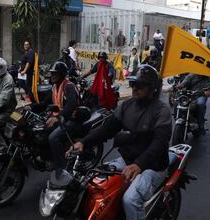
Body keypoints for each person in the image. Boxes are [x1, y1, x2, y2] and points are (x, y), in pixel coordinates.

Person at [70, 65, 171, 220]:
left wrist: (139, 164)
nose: (134, 88)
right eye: (132, 84)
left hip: (153, 166)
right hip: (127, 160)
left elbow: (160, 143)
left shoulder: (161, 111)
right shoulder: (126, 105)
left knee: (130, 199)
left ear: (153, 89)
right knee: (95, 183)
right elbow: (107, 129)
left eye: (140, 85)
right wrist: (84, 142)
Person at [46, 61, 79, 169]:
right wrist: (31, 106)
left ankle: (61, 166)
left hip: (71, 118)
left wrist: (57, 117)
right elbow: (46, 101)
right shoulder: (54, 86)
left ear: (61, 74)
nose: (52, 76)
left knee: (53, 138)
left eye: (55, 74)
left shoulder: (68, 86)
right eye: (52, 73)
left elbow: (70, 105)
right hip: (59, 117)